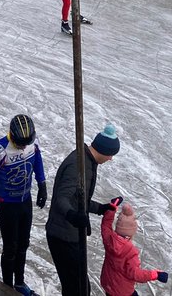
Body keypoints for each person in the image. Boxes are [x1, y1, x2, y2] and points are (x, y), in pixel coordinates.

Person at [45, 124, 121, 296]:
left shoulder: (86, 161)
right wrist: (72, 216)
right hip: (63, 236)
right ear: (104, 150)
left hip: (69, 234)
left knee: (78, 287)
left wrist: (100, 208)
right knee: (77, 289)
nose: (110, 159)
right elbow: (62, 199)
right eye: (110, 155)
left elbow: (79, 199)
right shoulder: (79, 166)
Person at [0, 114, 48, 294]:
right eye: (20, 144)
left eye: (26, 143)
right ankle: (7, 287)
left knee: (23, 243)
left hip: (24, 201)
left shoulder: (31, 142)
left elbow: (37, 158)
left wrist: (42, 184)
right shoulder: (0, 149)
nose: (24, 147)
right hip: (6, 204)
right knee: (10, 247)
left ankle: (20, 283)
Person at [101, 200, 167, 296]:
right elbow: (135, 274)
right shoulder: (130, 251)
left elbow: (105, 226)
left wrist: (111, 209)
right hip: (123, 291)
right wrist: (155, 274)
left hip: (109, 285)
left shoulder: (109, 240)